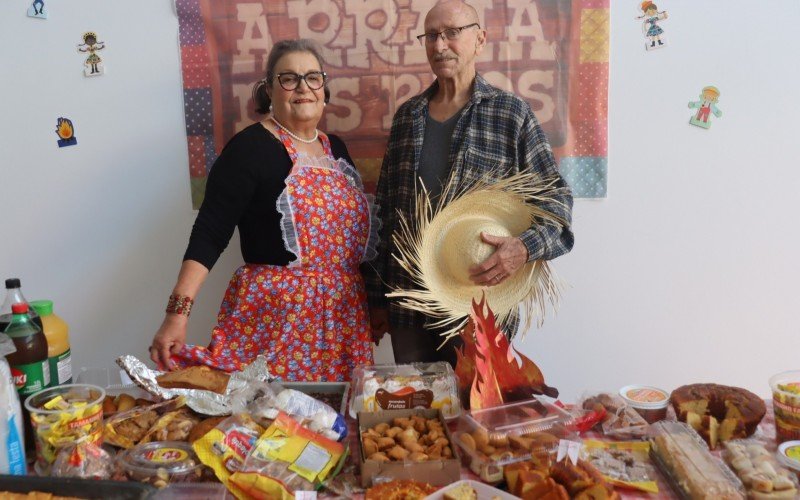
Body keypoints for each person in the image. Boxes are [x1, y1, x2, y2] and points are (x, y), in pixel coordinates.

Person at [149, 39, 378, 381]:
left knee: (334, 424)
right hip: (276, 323)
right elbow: (210, 233)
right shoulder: (248, 149)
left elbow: (352, 243)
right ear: (269, 89)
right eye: (289, 78)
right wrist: (177, 315)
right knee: (268, 424)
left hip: (343, 318)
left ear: (324, 88)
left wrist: (376, 305)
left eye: (313, 77)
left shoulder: (337, 149)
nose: (303, 87)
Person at [364, 0, 574, 366]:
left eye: (451, 33)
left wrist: (523, 249)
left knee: (480, 413)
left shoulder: (511, 114)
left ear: (480, 40)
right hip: (408, 303)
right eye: (431, 36)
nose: (440, 45)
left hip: (480, 300)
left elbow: (557, 203)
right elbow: (384, 215)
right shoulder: (407, 117)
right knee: (417, 411)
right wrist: (376, 298)